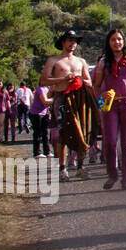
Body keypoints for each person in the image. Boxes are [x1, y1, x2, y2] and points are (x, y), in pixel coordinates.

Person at [91, 28, 126, 190]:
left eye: (119, 39)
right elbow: (96, 86)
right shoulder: (103, 62)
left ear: (123, 41)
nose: (117, 42)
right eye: (113, 40)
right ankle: (112, 175)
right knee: (109, 142)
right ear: (108, 43)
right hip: (110, 105)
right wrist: (101, 100)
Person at [40, 31, 95, 180]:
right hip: (62, 97)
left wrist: (79, 79)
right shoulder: (54, 61)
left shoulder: (81, 61)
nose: (72, 44)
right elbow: (44, 81)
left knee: (82, 130)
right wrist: (63, 78)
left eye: (75, 41)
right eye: (70, 40)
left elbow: (89, 81)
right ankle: (63, 169)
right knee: (63, 133)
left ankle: (80, 166)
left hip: (79, 97)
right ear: (63, 42)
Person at [29, 84, 53, 157]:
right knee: (37, 133)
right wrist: (55, 99)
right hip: (36, 113)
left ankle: (47, 151)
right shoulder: (40, 89)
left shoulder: (47, 88)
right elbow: (45, 101)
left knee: (45, 133)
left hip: (44, 113)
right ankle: (37, 152)